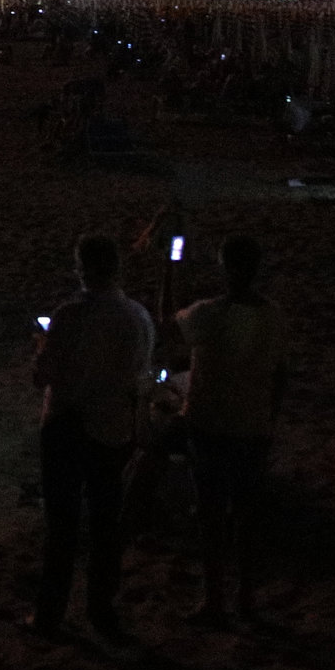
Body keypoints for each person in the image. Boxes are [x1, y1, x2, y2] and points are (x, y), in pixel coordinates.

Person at [30, 235, 151, 640]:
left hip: (67, 426)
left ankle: (50, 613)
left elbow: (41, 375)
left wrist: (42, 349)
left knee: (61, 525)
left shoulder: (70, 315)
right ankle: (101, 610)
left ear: (81, 268)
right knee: (105, 524)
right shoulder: (137, 316)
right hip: (113, 428)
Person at [177, 234, 289, 623]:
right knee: (246, 514)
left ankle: (213, 598)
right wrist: (270, 419)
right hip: (253, 423)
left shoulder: (210, 313)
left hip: (211, 421)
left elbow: (170, 327)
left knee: (211, 513)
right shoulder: (272, 314)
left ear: (224, 269)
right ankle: (245, 597)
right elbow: (281, 373)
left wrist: (169, 272)